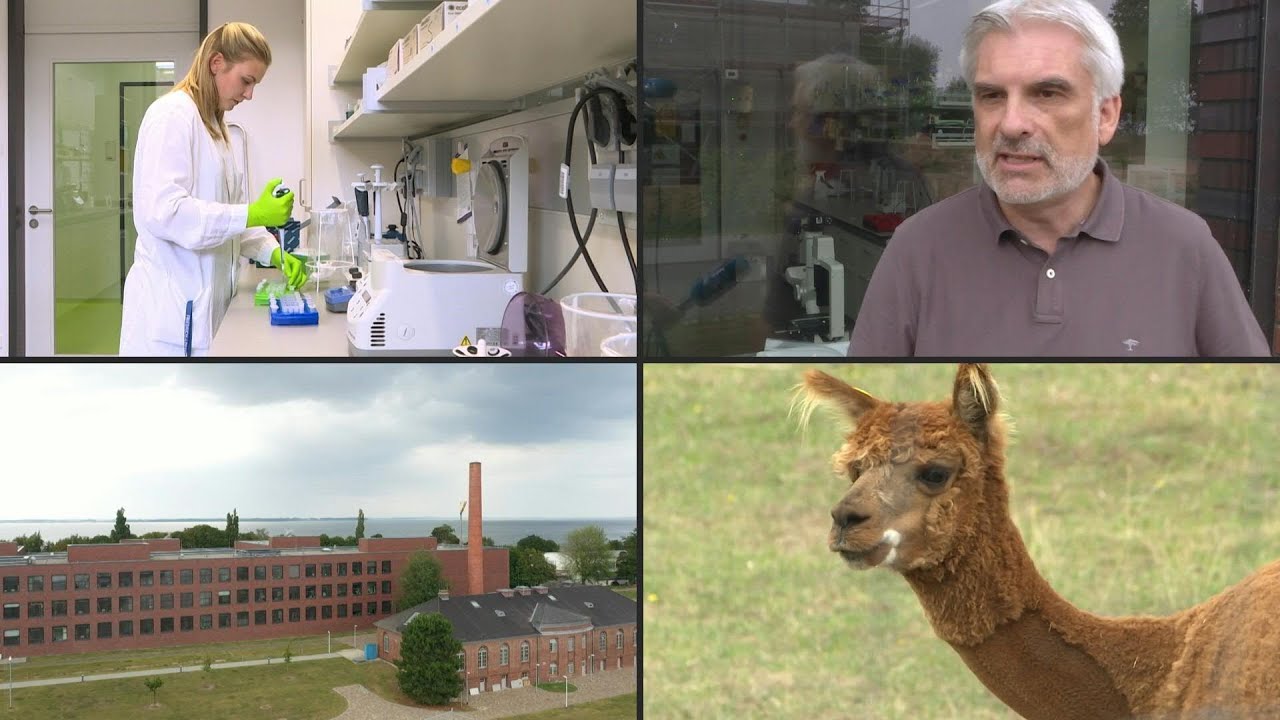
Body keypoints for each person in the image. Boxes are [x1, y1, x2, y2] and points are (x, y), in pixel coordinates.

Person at [848, 0, 1270, 357]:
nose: (1011, 124)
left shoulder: (1184, 247)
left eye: (1047, 93)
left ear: (1106, 116)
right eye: (992, 95)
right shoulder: (918, 248)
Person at [120, 22, 308, 356]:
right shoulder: (172, 116)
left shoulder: (217, 128)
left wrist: (273, 252)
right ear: (216, 63)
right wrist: (251, 212)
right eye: (246, 81)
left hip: (207, 306)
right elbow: (165, 213)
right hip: (171, 314)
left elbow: (232, 221)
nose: (249, 94)